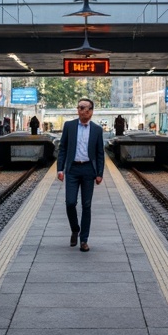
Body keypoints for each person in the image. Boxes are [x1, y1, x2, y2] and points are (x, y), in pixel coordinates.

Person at [56, 98, 105, 252]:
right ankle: (75, 229)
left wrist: (99, 173)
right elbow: (63, 148)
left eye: (84, 107)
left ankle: (84, 240)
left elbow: (99, 153)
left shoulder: (97, 130)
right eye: (79, 107)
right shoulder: (69, 126)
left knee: (86, 205)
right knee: (70, 203)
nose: (81, 110)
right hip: (72, 170)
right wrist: (60, 169)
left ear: (91, 111)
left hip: (88, 171)